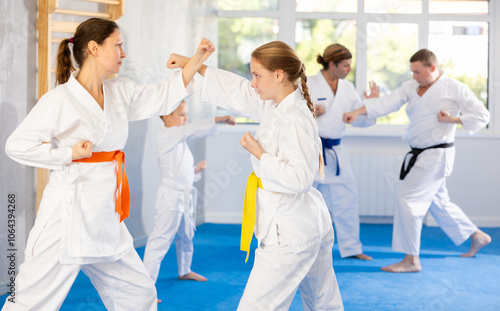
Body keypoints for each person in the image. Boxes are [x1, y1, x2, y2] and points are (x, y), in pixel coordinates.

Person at [3, 17, 214, 310]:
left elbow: (162, 97)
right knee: (28, 301)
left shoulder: (120, 91)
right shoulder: (60, 99)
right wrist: (67, 155)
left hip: (106, 217)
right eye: (118, 45)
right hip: (67, 219)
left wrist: (197, 60)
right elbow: (16, 146)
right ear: (94, 49)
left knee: (140, 295)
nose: (123, 53)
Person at [168, 41, 344, 310]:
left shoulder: (293, 116)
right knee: (322, 303)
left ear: (278, 75)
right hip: (305, 222)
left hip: (290, 230)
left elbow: (301, 179)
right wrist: (194, 65)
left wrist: (259, 153)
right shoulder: (277, 104)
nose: (252, 83)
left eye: (257, 75)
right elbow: (236, 91)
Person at [343, 48, 491, 273]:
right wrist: (359, 111)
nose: (414, 76)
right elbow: (388, 103)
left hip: (437, 154)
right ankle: (477, 235)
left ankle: (411, 260)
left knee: (408, 200)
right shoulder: (410, 87)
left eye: (418, 72)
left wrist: (454, 119)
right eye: (412, 72)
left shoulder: (453, 87)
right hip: (420, 153)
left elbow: (482, 115)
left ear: (433, 68)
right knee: (438, 202)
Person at [142, 100, 235, 302]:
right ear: (166, 117)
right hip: (170, 198)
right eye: (181, 115)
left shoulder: (178, 140)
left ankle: (185, 270)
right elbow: (192, 130)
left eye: (186, 115)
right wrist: (219, 118)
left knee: (187, 234)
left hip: (183, 195)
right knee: (160, 240)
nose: (186, 120)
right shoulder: (168, 135)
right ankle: (146, 289)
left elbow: (180, 173)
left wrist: (196, 171)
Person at [308, 43, 377, 261]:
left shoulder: (347, 88)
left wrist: (370, 106)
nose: (348, 69)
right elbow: (291, 116)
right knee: (305, 201)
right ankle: (304, 248)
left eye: (349, 65)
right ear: (331, 64)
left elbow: (360, 121)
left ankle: (351, 247)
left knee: (347, 199)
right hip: (311, 150)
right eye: (345, 65)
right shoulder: (308, 83)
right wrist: (312, 114)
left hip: (336, 151)